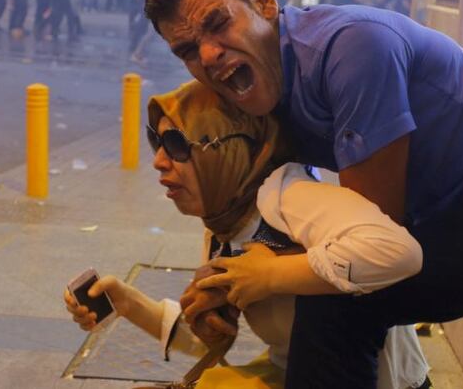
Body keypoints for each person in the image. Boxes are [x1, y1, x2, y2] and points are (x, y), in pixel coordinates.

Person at [143, 0, 463, 389]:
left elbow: (372, 240)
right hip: (450, 215)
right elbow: (278, 222)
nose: (207, 55)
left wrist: (265, 273)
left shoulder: (352, 46)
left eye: (218, 24)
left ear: (263, 0)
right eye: (186, 50)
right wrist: (226, 281)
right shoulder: (259, 82)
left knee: (340, 300)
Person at [64, 80, 432, 389]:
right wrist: (126, 303)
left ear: (228, 149)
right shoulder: (224, 225)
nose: (159, 160)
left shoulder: (288, 197)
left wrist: (270, 274)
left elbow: (399, 250)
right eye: (156, 142)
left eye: (177, 145)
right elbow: (211, 338)